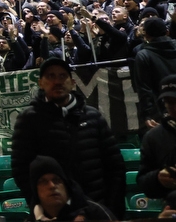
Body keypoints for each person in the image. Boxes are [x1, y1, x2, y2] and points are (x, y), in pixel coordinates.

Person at [11, 57, 125, 218]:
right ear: (40, 83)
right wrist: (44, 207)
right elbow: (21, 170)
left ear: (72, 82)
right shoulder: (28, 119)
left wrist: (109, 209)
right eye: (50, 76)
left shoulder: (93, 116)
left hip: (97, 210)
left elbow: (115, 167)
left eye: (62, 76)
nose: (57, 81)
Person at [26, 155, 115, 221]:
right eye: (44, 182)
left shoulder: (95, 213)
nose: (52, 186)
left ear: (65, 185)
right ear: (35, 191)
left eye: (57, 180)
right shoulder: (32, 219)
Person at [138, 74, 176, 199]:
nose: (174, 107)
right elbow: (143, 183)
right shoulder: (153, 137)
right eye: (169, 102)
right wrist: (158, 178)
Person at [133, 17, 176, 127]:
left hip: (164, 108)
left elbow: (144, 88)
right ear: (167, 31)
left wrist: (147, 114)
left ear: (145, 34)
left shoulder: (143, 55)